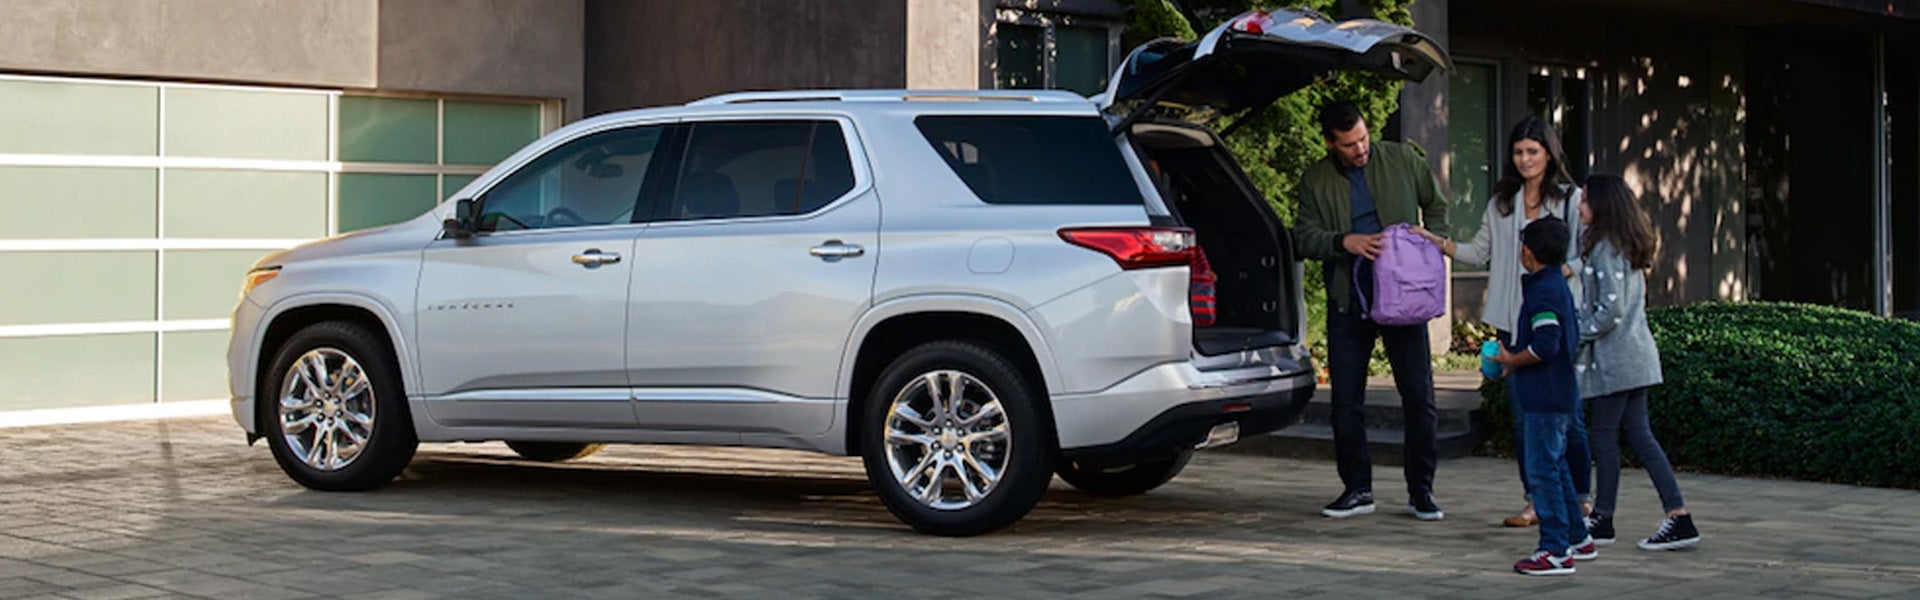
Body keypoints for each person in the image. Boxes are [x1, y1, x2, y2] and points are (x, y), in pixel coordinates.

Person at [1416, 116, 1590, 528]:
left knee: (1569, 415)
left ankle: (1581, 498)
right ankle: (1536, 499)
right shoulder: (1501, 202)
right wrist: (1434, 242)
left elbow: (1588, 255)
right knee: (1524, 414)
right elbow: (1479, 253)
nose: (1525, 159)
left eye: (1533, 151)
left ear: (1549, 152)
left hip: (1558, 319)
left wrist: (1558, 273)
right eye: (1518, 152)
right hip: (1512, 321)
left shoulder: (1570, 198)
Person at [1293, 101, 1449, 520]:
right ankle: (1358, 490)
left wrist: (1430, 244)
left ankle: (1422, 493)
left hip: (1404, 295)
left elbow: (1436, 206)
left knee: (1419, 397)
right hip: (1350, 294)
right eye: (1349, 145)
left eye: (1363, 139)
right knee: (1346, 401)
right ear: (1331, 143)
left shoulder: (1401, 158)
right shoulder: (1315, 180)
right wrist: (1344, 242)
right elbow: (1303, 238)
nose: (1360, 149)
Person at [1575, 174, 1702, 551]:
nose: (1579, 207)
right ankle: (1672, 515)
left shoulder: (1605, 248)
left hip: (1619, 361)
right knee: (1638, 436)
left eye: (1583, 200)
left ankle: (1606, 518)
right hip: (1634, 356)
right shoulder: (1623, 245)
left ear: (1602, 205)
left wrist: (1575, 333)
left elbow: (1609, 311)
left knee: (1604, 435)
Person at [1489, 216, 1596, 575]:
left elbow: (1546, 345)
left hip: (1545, 397)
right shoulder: (1554, 284)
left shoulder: (1543, 291)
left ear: (1528, 251)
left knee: (1542, 471)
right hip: (1559, 394)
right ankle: (1578, 537)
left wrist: (1511, 359)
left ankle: (1554, 549)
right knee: (1557, 466)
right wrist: (1514, 363)